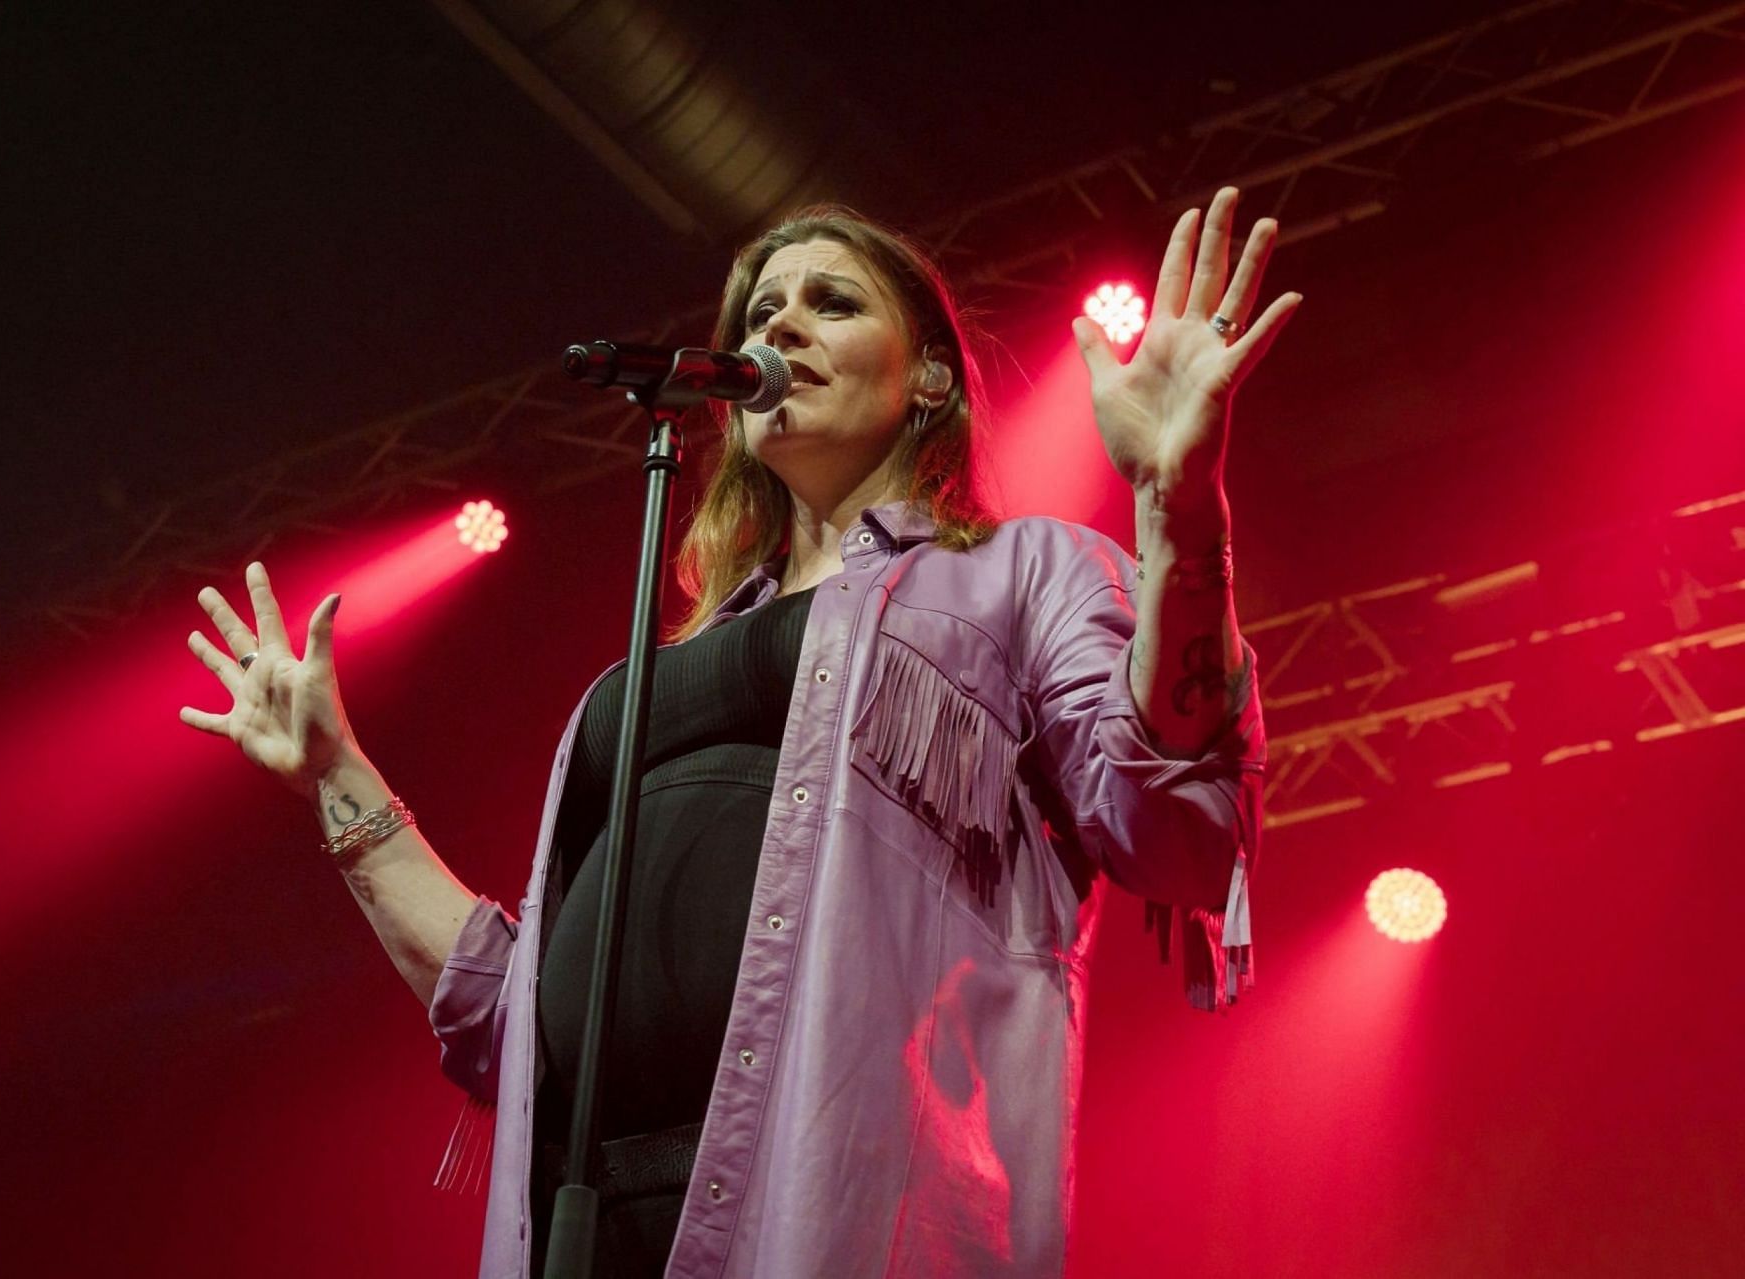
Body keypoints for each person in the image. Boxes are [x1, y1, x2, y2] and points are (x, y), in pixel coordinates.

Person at [179, 187, 1297, 1278]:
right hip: (584, 1214)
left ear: (931, 380)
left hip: (840, 1212)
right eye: (761, 311)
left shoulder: (1016, 574)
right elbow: (506, 1006)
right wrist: (336, 772)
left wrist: (1177, 498)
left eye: (833, 302)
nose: (780, 327)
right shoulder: (648, 667)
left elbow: (1175, 819)